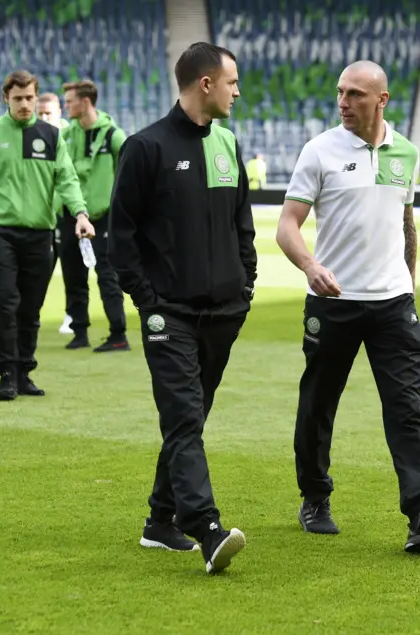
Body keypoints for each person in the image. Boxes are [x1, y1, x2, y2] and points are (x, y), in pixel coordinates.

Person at [276, 60, 420, 553]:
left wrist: (410, 286)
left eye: (355, 94)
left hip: (393, 306)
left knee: (406, 408)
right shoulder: (319, 151)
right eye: (340, 92)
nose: (343, 102)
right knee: (319, 403)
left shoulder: (405, 152)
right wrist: (311, 267)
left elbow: (406, 223)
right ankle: (315, 497)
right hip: (332, 302)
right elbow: (287, 226)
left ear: (381, 100)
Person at [108, 42, 256, 573]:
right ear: (206, 84)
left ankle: (158, 521)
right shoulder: (145, 147)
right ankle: (207, 528)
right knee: (185, 419)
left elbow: (243, 221)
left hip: (223, 313)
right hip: (168, 314)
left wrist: (246, 285)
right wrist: (147, 302)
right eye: (233, 81)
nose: (239, 91)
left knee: (188, 421)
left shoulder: (226, 144)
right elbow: (119, 236)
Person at [0, 70, 94, 401]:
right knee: (5, 303)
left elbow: (67, 179)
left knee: (30, 308)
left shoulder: (51, 136)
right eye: (18, 98)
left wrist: (79, 213)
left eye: (30, 98)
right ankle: (6, 374)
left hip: (39, 233)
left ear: (37, 98)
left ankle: (24, 372)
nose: (25, 104)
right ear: (5, 98)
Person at [59, 80, 130, 352]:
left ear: (85, 102)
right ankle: (80, 332)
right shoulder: (65, 137)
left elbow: (128, 178)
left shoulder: (114, 136)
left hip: (103, 217)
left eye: (70, 101)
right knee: (73, 275)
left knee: (107, 275)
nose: (66, 106)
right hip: (70, 215)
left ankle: (118, 334)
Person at [37, 92, 73, 335]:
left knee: (72, 271)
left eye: (48, 113)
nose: (43, 117)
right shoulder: (31, 137)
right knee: (38, 270)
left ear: (59, 111)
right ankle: (31, 314)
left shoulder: (72, 137)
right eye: (40, 113)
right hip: (41, 215)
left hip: (67, 213)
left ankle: (72, 316)